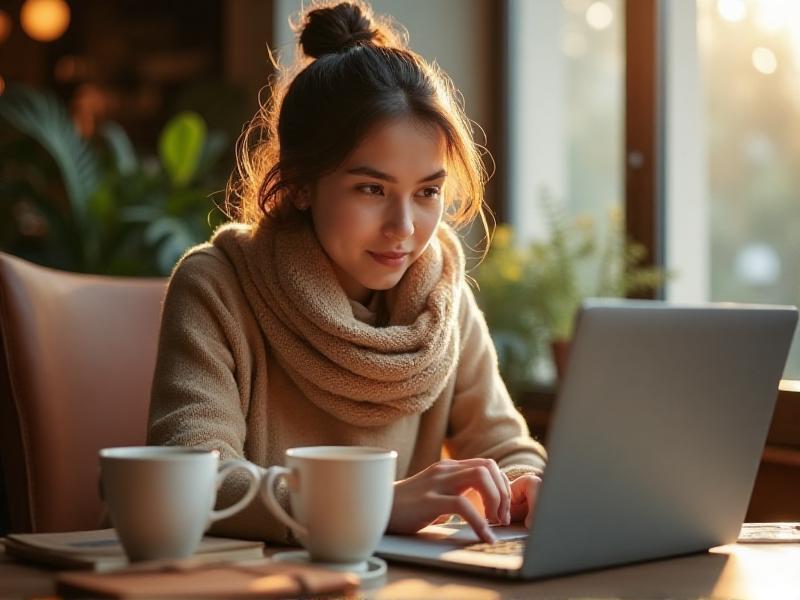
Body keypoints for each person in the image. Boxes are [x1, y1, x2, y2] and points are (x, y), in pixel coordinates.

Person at [147, 0, 546, 545]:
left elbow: (506, 447)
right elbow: (194, 475)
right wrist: (373, 503)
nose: (403, 228)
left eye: (427, 192)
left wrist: (528, 484)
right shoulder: (217, 284)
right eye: (371, 189)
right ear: (301, 185)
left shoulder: (440, 292)